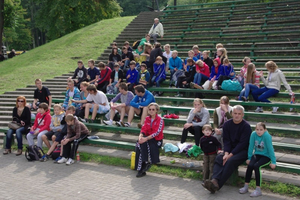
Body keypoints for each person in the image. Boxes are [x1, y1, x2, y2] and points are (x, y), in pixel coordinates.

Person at [202, 105, 252, 194]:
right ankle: (214, 180)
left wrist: (230, 155)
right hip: (230, 149)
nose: (237, 115)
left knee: (230, 161)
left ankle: (217, 186)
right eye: (235, 113)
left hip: (242, 151)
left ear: (242, 115)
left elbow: (242, 144)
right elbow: (226, 141)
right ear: (232, 113)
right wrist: (226, 153)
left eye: (239, 114)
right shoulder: (227, 124)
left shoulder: (246, 126)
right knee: (219, 158)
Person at [239, 122, 276, 197]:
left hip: (266, 156)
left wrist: (273, 162)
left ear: (265, 130)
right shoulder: (253, 134)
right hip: (257, 154)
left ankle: (258, 189)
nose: (259, 131)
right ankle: (246, 186)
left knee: (256, 166)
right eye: (257, 129)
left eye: (261, 130)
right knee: (250, 165)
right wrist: (249, 158)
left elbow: (270, 149)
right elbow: (251, 146)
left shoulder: (266, 136)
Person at [135, 103, 164, 177]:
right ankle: (145, 163)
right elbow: (143, 129)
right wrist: (140, 137)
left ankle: (141, 167)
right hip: (147, 138)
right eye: (150, 109)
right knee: (140, 144)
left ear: (156, 110)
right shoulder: (147, 118)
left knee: (143, 144)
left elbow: (157, 132)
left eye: (153, 109)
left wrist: (145, 139)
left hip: (157, 140)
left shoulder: (160, 120)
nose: (151, 111)